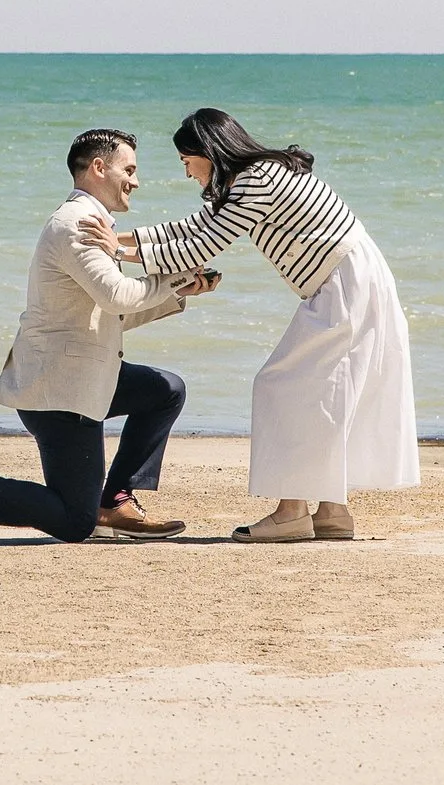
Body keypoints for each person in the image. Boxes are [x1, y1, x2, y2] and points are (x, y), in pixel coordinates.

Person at [90, 108, 416, 543]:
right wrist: (123, 239)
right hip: (349, 278)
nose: (188, 174)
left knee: (282, 384)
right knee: (325, 390)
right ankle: (332, 511)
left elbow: (204, 245)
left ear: (208, 151)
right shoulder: (254, 177)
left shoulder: (256, 180)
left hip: (345, 281)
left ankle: (292, 512)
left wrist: (121, 253)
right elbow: (194, 227)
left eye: (187, 162)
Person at [0, 128, 218, 545]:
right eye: (128, 169)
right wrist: (173, 279)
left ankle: (114, 500)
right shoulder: (77, 224)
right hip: (59, 392)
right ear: (98, 167)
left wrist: (177, 291)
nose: (135, 181)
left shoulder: (90, 223)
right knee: (75, 521)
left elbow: (104, 317)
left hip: (83, 380)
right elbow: (116, 296)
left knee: (165, 390)